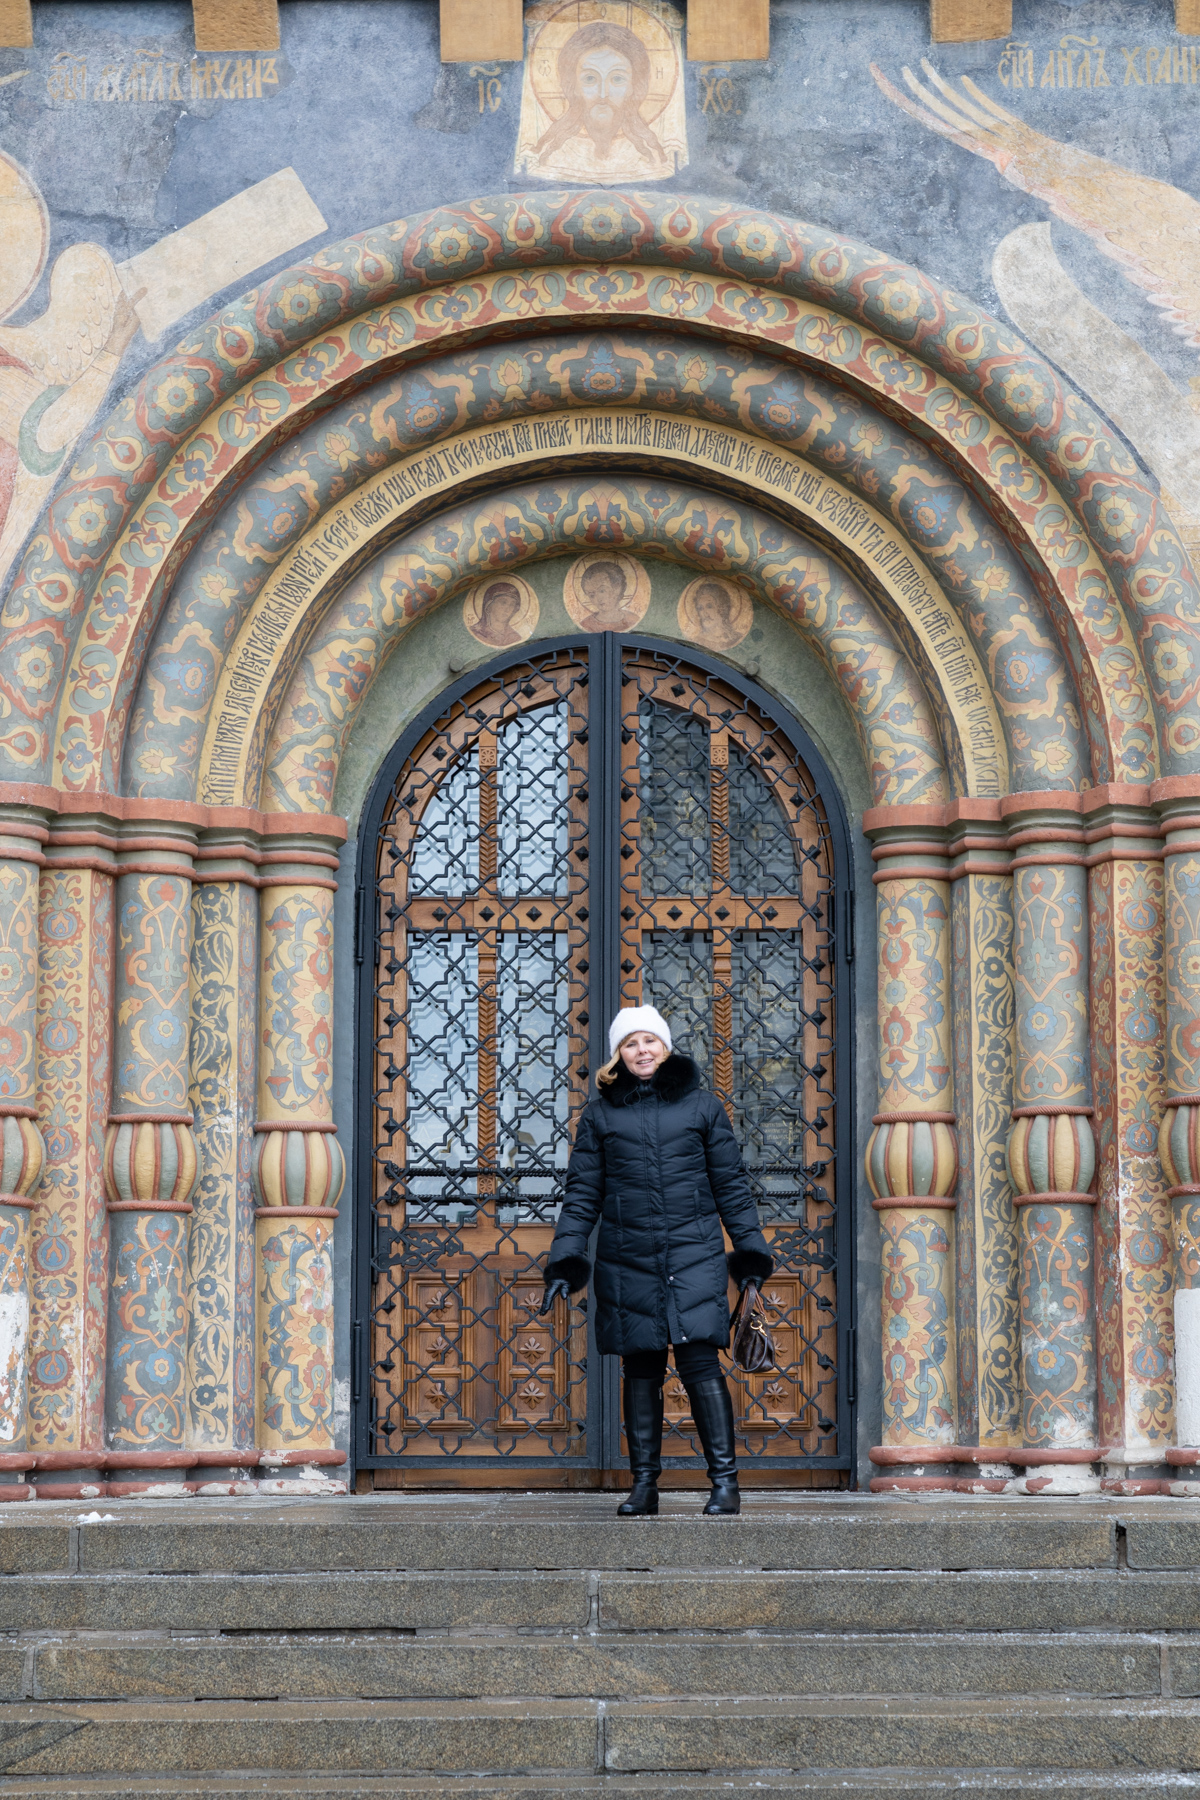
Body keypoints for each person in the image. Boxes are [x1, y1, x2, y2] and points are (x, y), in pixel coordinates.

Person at [540, 1006, 772, 1516]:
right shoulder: (600, 1116)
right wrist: (566, 1259)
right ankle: (644, 1486)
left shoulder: (703, 1108)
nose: (641, 1051)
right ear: (617, 1055)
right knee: (640, 1367)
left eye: (650, 1041)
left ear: (665, 1047)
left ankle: (725, 1484)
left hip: (694, 1255)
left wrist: (750, 1253)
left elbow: (731, 1188)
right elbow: (582, 1195)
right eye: (630, 1044)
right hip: (628, 1256)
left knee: (699, 1364)